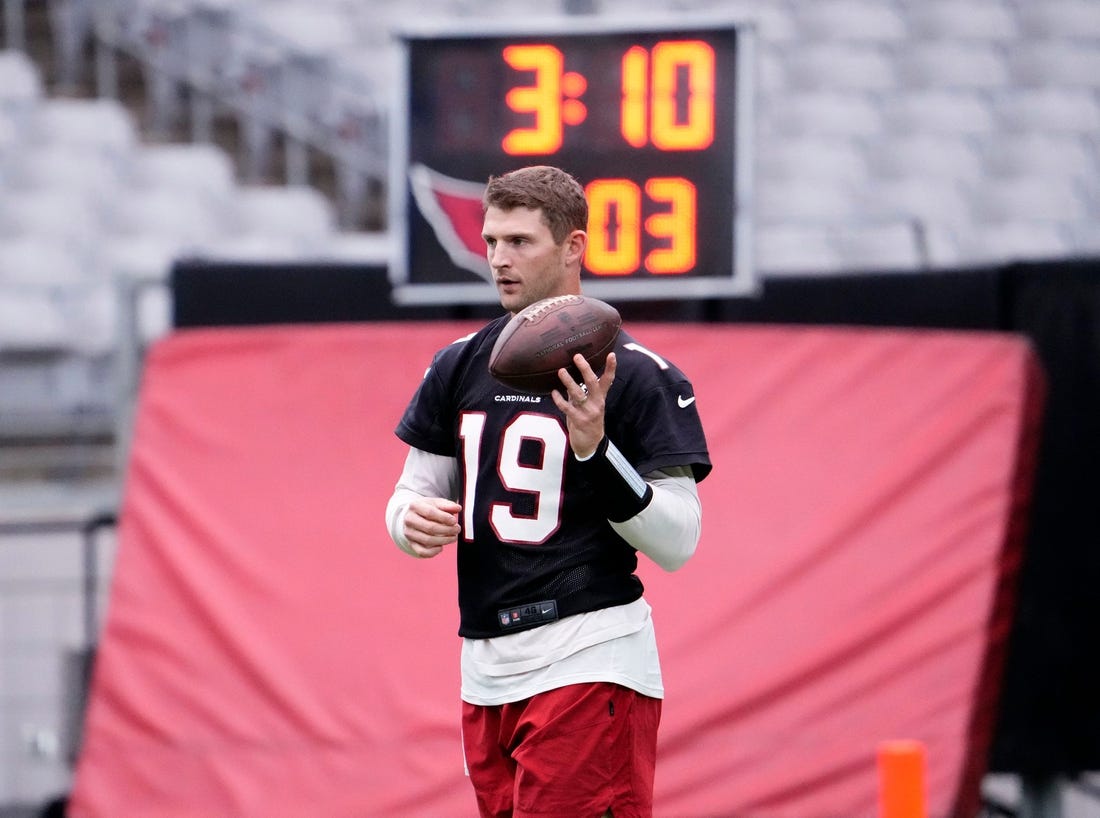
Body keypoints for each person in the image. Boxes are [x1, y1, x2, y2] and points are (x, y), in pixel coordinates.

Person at [385, 165, 711, 818]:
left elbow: (679, 540)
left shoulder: (638, 373)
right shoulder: (456, 363)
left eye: (520, 242)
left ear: (573, 248)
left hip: (587, 659)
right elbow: (410, 494)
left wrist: (596, 450)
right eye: (492, 242)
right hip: (485, 669)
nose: (500, 260)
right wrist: (407, 521)